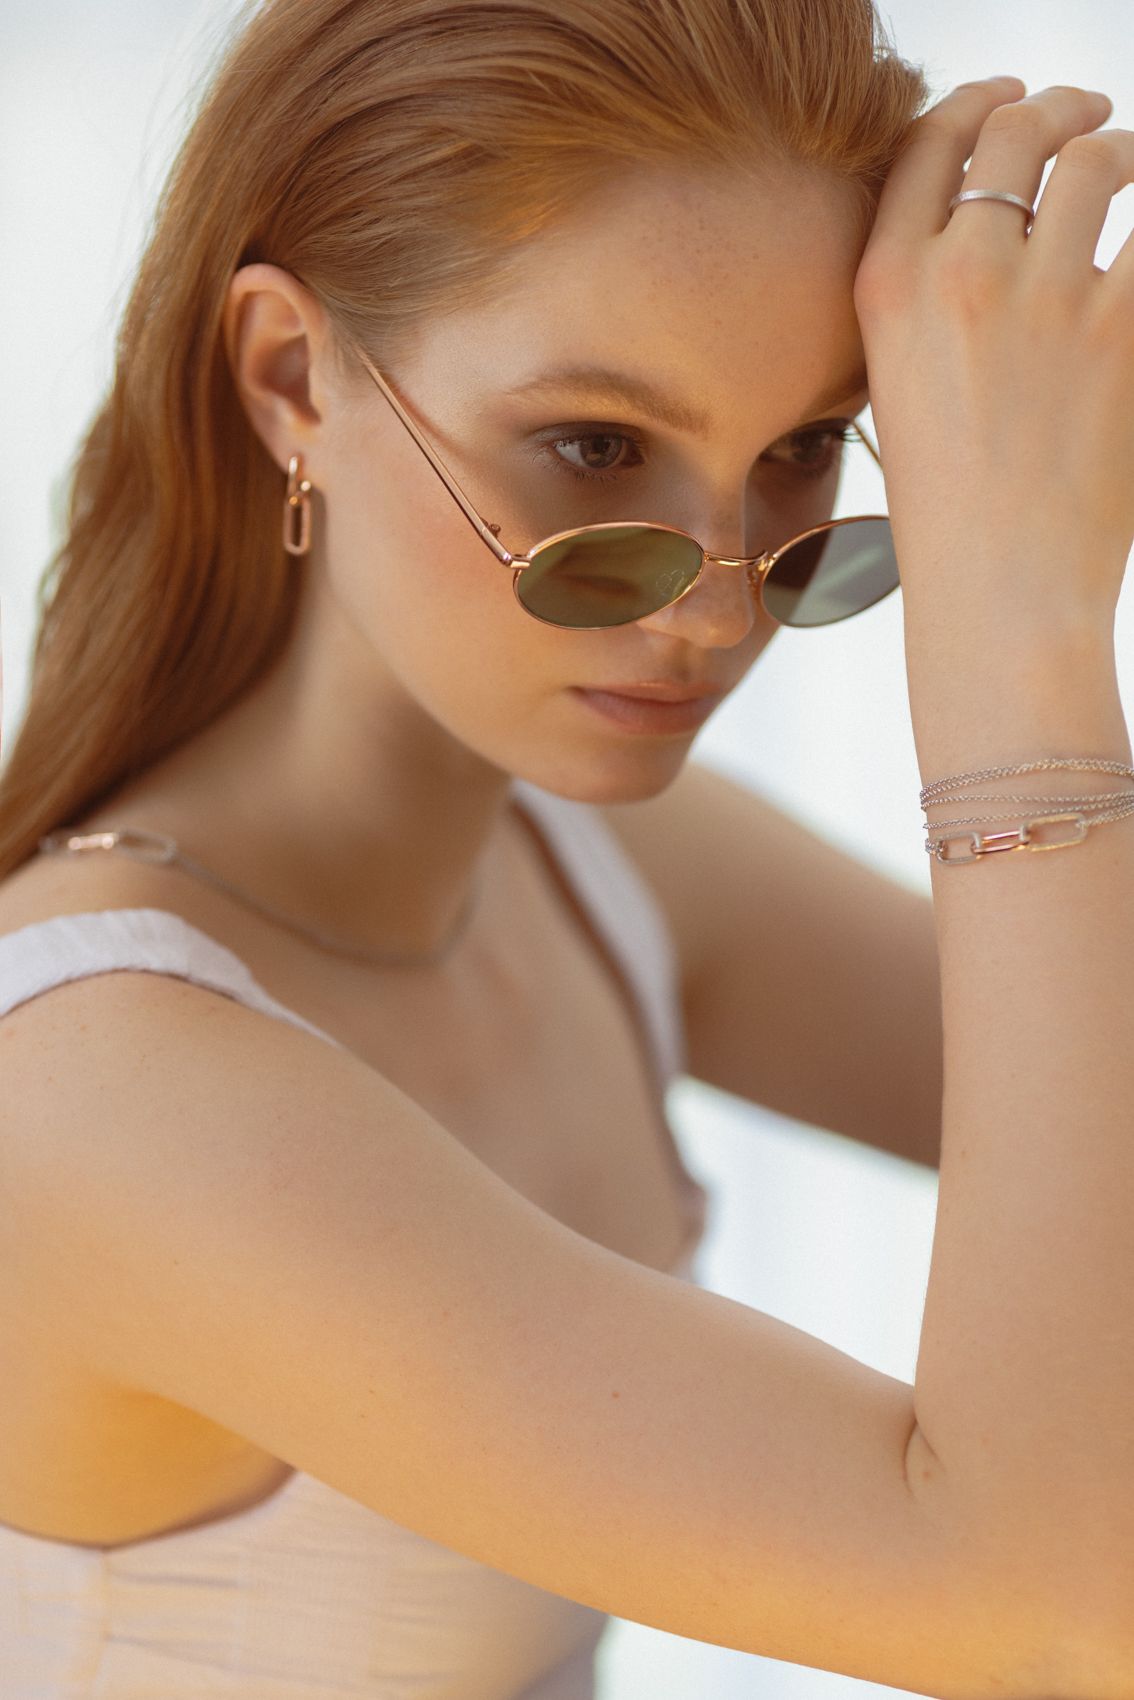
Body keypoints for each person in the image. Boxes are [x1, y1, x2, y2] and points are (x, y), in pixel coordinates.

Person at [1, 0, 1131, 1691]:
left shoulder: (583, 866)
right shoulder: (96, 1089)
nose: (720, 604)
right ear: (291, 379)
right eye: (596, 448)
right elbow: (1052, 1609)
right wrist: (1011, 623)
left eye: (800, 449)